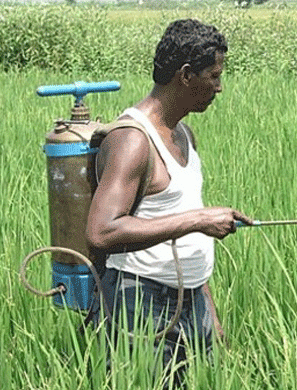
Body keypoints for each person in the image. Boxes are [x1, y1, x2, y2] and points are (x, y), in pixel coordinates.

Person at [85, 19, 252, 384]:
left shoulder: (184, 135)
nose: (220, 87)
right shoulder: (133, 141)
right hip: (140, 303)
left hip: (190, 301)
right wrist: (198, 220)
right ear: (187, 75)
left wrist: (209, 312)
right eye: (214, 76)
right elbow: (102, 231)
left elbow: (185, 222)